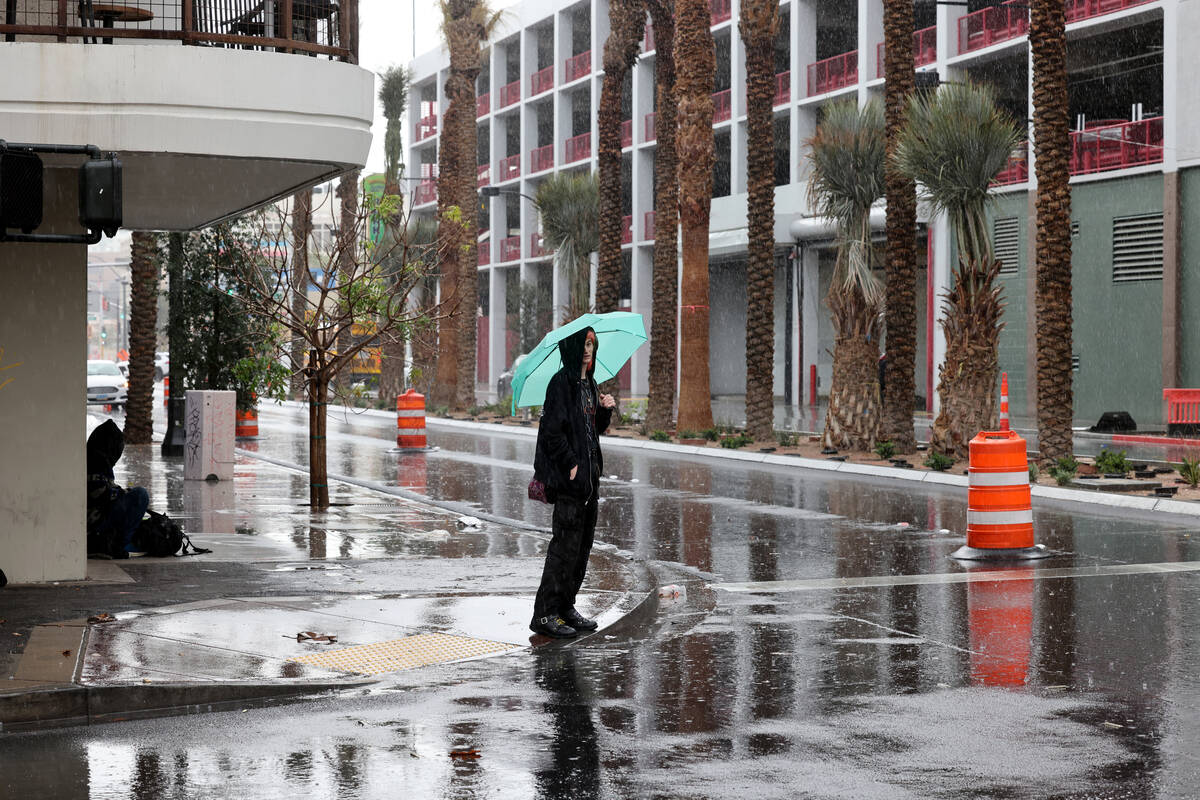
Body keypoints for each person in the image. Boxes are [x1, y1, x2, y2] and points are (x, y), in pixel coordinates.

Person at [531, 327, 615, 638]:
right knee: (563, 550)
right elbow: (552, 433)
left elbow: (592, 431)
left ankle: (566, 607)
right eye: (582, 344)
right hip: (571, 483)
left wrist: (605, 412)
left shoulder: (589, 385)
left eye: (591, 344)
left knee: (580, 550)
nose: (587, 350)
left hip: (589, 484)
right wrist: (571, 465)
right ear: (571, 348)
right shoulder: (561, 384)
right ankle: (544, 615)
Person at [86, 419, 149, 559]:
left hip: (93, 523)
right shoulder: (96, 462)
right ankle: (116, 545)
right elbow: (99, 494)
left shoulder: (95, 458)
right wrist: (121, 494)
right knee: (140, 495)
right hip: (93, 527)